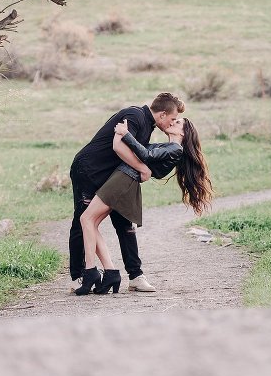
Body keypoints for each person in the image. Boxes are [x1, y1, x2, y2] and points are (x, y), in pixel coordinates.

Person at [75, 117, 213, 295]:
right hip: (122, 178)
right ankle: (109, 273)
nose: (172, 123)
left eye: (177, 123)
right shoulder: (167, 146)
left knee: (86, 219)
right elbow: (139, 154)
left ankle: (91, 271)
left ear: (183, 133)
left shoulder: (175, 149)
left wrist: (125, 134)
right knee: (90, 223)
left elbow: (145, 155)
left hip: (123, 180)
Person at [69, 93, 185, 292]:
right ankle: (79, 276)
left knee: (124, 224)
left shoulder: (148, 126)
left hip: (112, 176)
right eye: (173, 119)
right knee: (83, 221)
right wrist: (143, 168)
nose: (173, 122)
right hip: (89, 170)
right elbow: (118, 146)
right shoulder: (135, 115)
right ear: (163, 114)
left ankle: (133, 275)